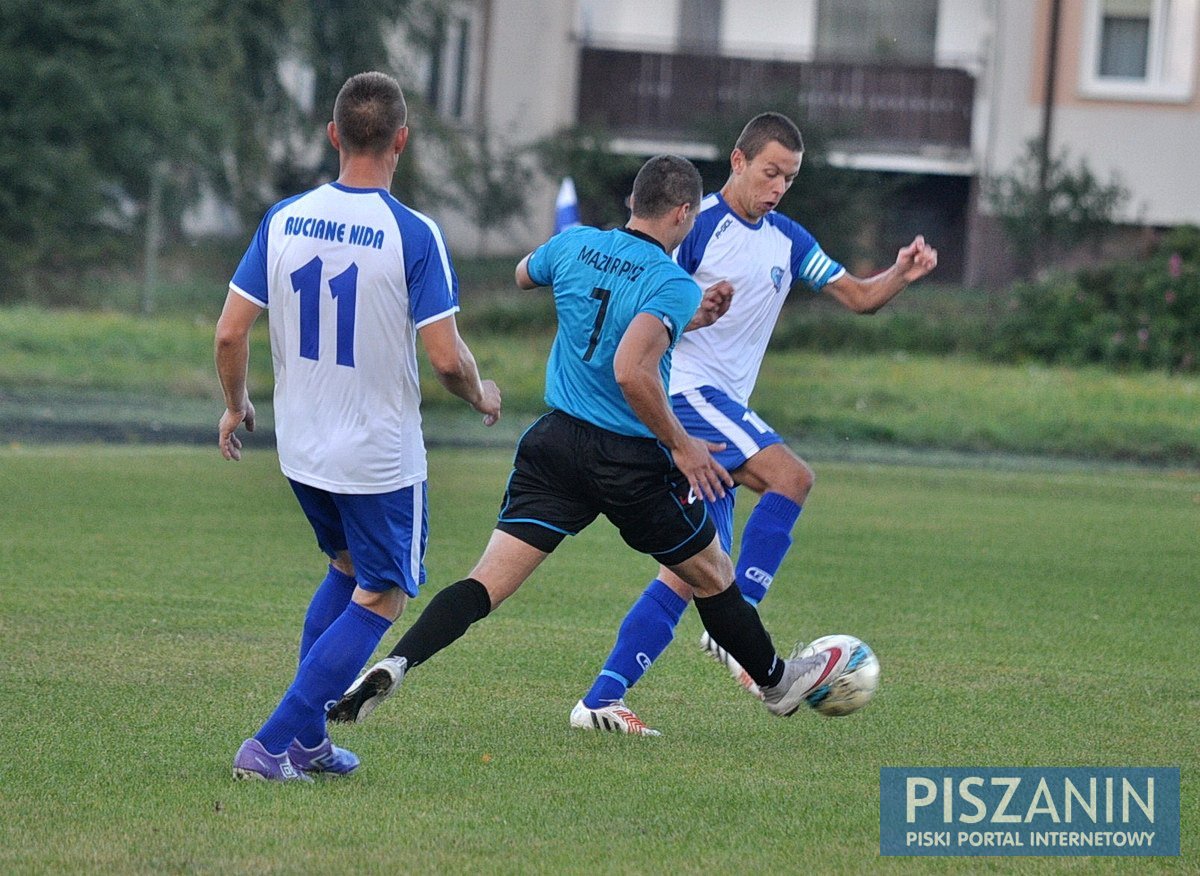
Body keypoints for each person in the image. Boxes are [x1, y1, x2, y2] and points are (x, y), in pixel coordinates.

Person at [326, 154, 852, 734]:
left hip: (554, 446)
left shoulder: (575, 244)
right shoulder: (671, 282)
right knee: (711, 573)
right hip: (627, 460)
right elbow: (631, 368)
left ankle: (399, 661)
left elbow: (526, 274)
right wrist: (681, 444)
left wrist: (680, 316)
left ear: (633, 202)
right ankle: (778, 684)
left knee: (485, 583)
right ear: (683, 214)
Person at [569, 112, 939, 732]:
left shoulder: (788, 239)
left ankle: (601, 699)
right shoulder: (698, 227)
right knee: (791, 478)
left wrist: (900, 273)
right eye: (770, 172)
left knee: (692, 573)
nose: (778, 187)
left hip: (716, 411)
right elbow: (633, 298)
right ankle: (742, 619)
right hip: (686, 393)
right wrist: (691, 315)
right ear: (738, 162)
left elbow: (858, 297)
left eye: (789, 178)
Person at [216, 71, 502, 781]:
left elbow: (229, 333)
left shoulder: (283, 218)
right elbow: (444, 357)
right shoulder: (413, 233)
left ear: (333, 135)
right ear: (402, 139)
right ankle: (271, 743)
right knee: (383, 593)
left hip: (302, 445)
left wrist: (236, 402)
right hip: (377, 456)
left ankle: (309, 744)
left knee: (346, 571)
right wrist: (479, 392)